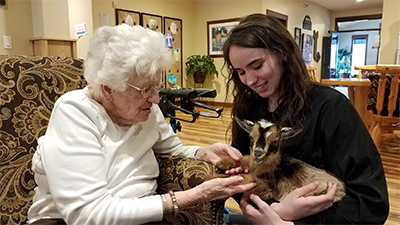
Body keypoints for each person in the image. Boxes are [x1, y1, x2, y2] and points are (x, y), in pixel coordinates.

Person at [27, 24, 256, 225]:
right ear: (108, 89)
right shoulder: (75, 112)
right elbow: (88, 215)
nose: (156, 99)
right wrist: (190, 197)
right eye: (145, 89)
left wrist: (203, 151)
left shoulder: (146, 110)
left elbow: (173, 149)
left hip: (143, 217)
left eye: (156, 86)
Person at [222, 13, 389, 224]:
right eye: (240, 72)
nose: (250, 80)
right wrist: (272, 210)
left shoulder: (331, 108)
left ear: (282, 53)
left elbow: (372, 201)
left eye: (257, 66)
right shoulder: (249, 110)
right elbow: (242, 174)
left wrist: (287, 220)